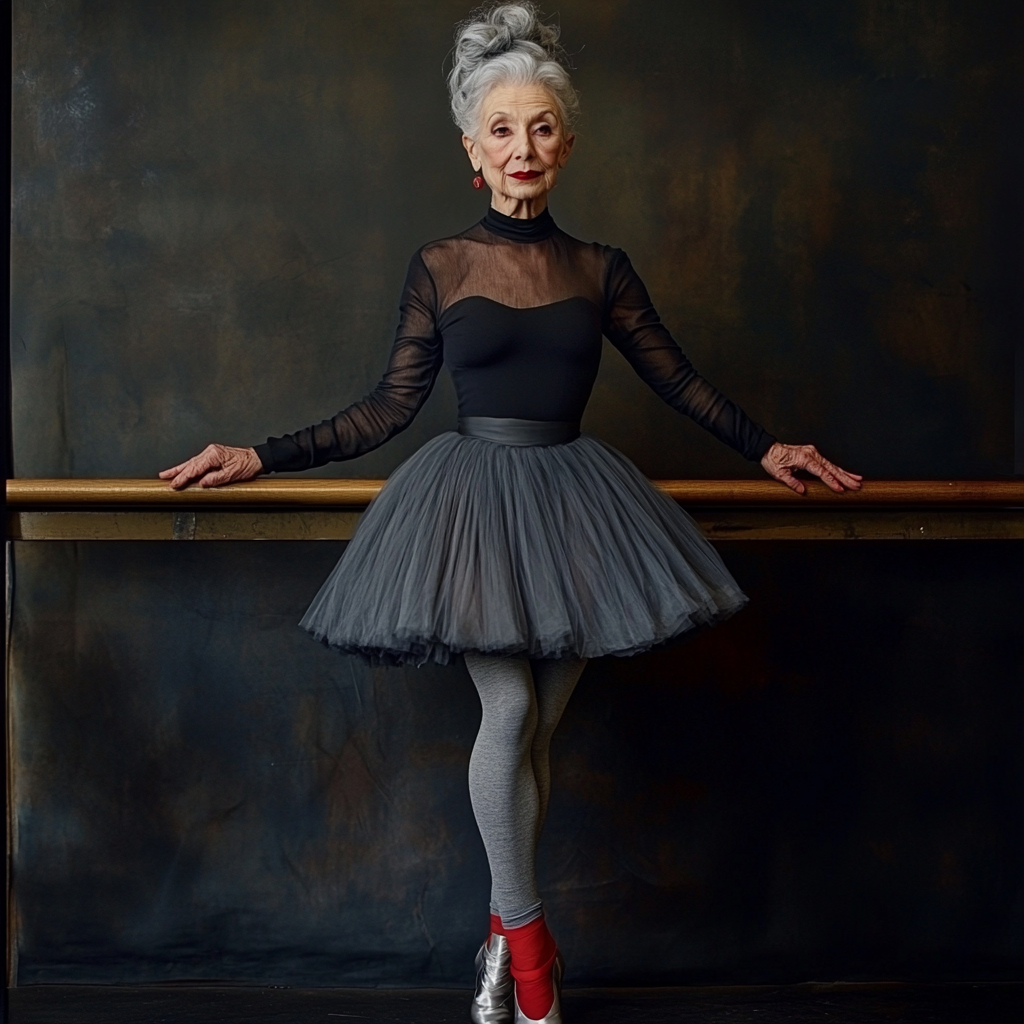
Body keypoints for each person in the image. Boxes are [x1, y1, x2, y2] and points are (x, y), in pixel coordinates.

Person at [160, 4, 862, 1021]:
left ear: (564, 146)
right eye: (501, 128)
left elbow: (679, 382)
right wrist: (258, 454)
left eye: (540, 128)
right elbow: (387, 408)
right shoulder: (441, 265)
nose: (521, 146)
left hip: (580, 513)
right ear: (471, 152)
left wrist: (766, 445)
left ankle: (496, 941)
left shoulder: (600, 269)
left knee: (538, 737)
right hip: (469, 510)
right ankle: (530, 955)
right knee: (513, 710)